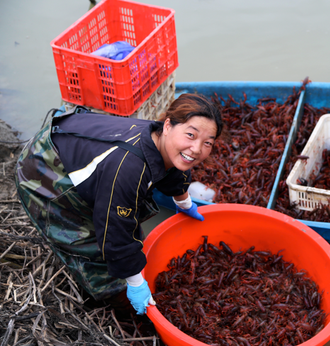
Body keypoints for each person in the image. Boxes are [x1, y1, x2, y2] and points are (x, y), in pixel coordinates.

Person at [15, 93, 223, 315]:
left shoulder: (160, 139)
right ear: (168, 125)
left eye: (207, 143)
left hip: (75, 139)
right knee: (96, 246)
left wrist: (184, 202)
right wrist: (134, 283)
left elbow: (173, 169)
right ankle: (111, 304)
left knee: (123, 221)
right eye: (191, 135)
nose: (197, 149)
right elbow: (115, 231)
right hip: (43, 168)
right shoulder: (129, 167)